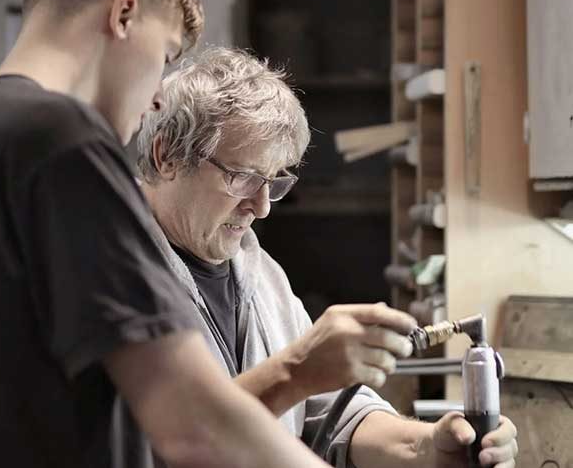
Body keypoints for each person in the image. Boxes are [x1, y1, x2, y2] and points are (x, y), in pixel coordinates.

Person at [0, 0, 345, 468]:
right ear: (123, 14)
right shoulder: (60, 141)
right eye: (167, 55)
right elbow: (193, 427)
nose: (154, 100)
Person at [137, 46, 519, 468]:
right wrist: (294, 371)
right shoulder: (103, 274)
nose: (263, 207)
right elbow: (145, 448)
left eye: (273, 181)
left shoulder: (259, 273)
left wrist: (428, 446)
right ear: (167, 156)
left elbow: (331, 415)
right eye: (243, 177)